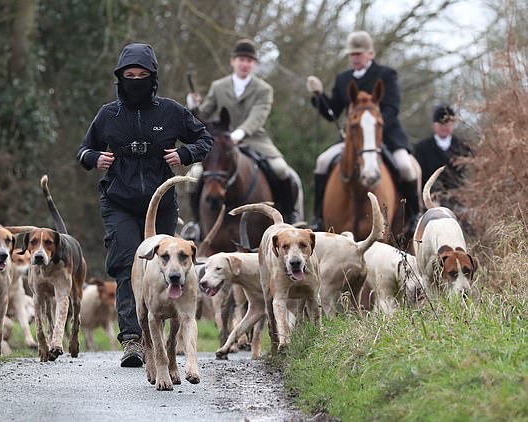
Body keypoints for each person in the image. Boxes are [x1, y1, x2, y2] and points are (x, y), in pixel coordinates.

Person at [76, 43, 213, 367]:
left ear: (152, 78)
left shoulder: (171, 111)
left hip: (161, 200)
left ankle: (165, 339)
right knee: (127, 263)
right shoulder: (108, 115)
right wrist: (95, 157)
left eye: (141, 75)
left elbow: (205, 139)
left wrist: (185, 154)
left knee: (167, 267)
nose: (135, 80)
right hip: (118, 200)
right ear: (120, 79)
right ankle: (133, 341)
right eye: (129, 76)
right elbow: (83, 150)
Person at [184, 38, 302, 234]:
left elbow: (258, 115)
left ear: (254, 64)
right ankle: (196, 223)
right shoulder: (218, 86)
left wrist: (240, 132)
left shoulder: (263, 89)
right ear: (233, 61)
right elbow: (203, 116)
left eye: (249, 60)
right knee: (194, 175)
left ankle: (290, 214)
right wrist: (192, 106)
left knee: (281, 170)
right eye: (241, 59)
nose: (244, 64)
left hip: (254, 139)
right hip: (221, 143)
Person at [306, 30, 420, 232]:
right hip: (354, 138)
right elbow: (333, 112)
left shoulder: (386, 74)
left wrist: (374, 125)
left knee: (405, 167)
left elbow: (392, 107)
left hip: (387, 135)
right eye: (352, 54)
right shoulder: (343, 79)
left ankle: (413, 216)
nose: (355, 58)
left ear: (370, 54)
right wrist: (318, 96)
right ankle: (318, 218)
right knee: (322, 162)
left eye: (359, 54)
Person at [414, 104, 473, 209]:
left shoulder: (464, 146)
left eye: (448, 124)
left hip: (459, 200)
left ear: (453, 124)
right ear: (434, 125)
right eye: (441, 124)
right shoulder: (421, 148)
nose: (444, 127)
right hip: (431, 200)